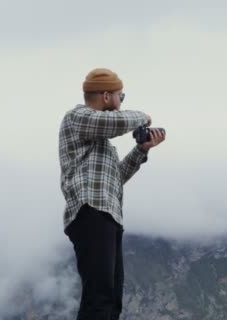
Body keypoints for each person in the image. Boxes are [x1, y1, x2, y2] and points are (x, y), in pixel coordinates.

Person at [58, 67, 165, 319]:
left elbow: (117, 179)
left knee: (111, 298)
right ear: (106, 96)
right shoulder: (77, 117)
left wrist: (142, 150)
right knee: (99, 295)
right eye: (121, 96)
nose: (120, 103)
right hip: (90, 212)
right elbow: (113, 122)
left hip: (107, 216)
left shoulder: (101, 143)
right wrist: (143, 117)